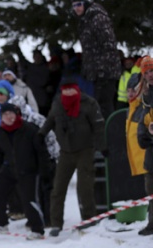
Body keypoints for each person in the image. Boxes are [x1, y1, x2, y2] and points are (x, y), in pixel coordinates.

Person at [39, 77, 105, 236]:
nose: (68, 91)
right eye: (65, 89)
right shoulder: (57, 104)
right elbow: (49, 121)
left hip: (85, 150)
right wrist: (40, 135)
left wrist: (102, 147)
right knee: (58, 188)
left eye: (71, 88)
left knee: (85, 187)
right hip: (66, 152)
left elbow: (98, 126)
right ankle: (56, 224)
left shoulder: (89, 103)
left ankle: (89, 219)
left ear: (77, 89)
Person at [0, 103, 50, 240]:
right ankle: (0, 222)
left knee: (29, 200)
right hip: (10, 168)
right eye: (5, 115)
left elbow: (41, 151)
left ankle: (37, 229)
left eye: (10, 114)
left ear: (16, 114)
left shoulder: (29, 129)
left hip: (28, 170)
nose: (8, 117)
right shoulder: (2, 132)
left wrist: (45, 170)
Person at [71, 0, 122, 119]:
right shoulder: (85, 20)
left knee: (104, 105)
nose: (76, 7)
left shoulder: (97, 18)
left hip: (105, 72)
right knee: (96, 106)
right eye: (74, 5)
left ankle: (109, 134)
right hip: (94, 73)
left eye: (79, 4)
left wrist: (102, 70)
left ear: (86, 3)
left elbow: (109, 45)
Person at [136, 56, 153, 236]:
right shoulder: (148, 93)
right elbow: (144, 118)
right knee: (151, 184)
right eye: (146, 72)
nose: (150, 75)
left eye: (152, 70)